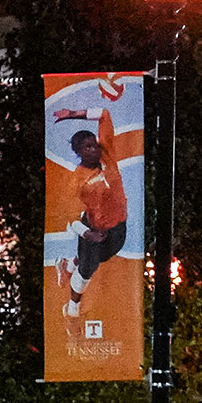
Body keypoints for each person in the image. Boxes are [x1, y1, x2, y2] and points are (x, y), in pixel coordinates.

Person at [51, 106, 129, 319]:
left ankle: (67, 264)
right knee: (88, 269)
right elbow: (70, 216)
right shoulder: (76, 179)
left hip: (118, 224)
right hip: (93, 229)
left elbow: (104, 113)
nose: (94, 149)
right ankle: (72, 309)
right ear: (78, 153)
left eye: (94, 144)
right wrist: (88, 234)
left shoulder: (106, 153)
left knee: (104, 256)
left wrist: (72, 114)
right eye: (87, 148)